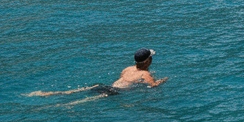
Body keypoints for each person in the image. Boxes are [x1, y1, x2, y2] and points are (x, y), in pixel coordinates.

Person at [29, 48, 168, 100]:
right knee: (83, 101)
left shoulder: (127, 68)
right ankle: (63, 105)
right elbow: (153, 86)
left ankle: (46, 94)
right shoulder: (145, 74)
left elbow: (125, 78)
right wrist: (163, 81)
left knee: (74, 92)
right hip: (115, 92)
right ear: (147, 61)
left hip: (105, 85)